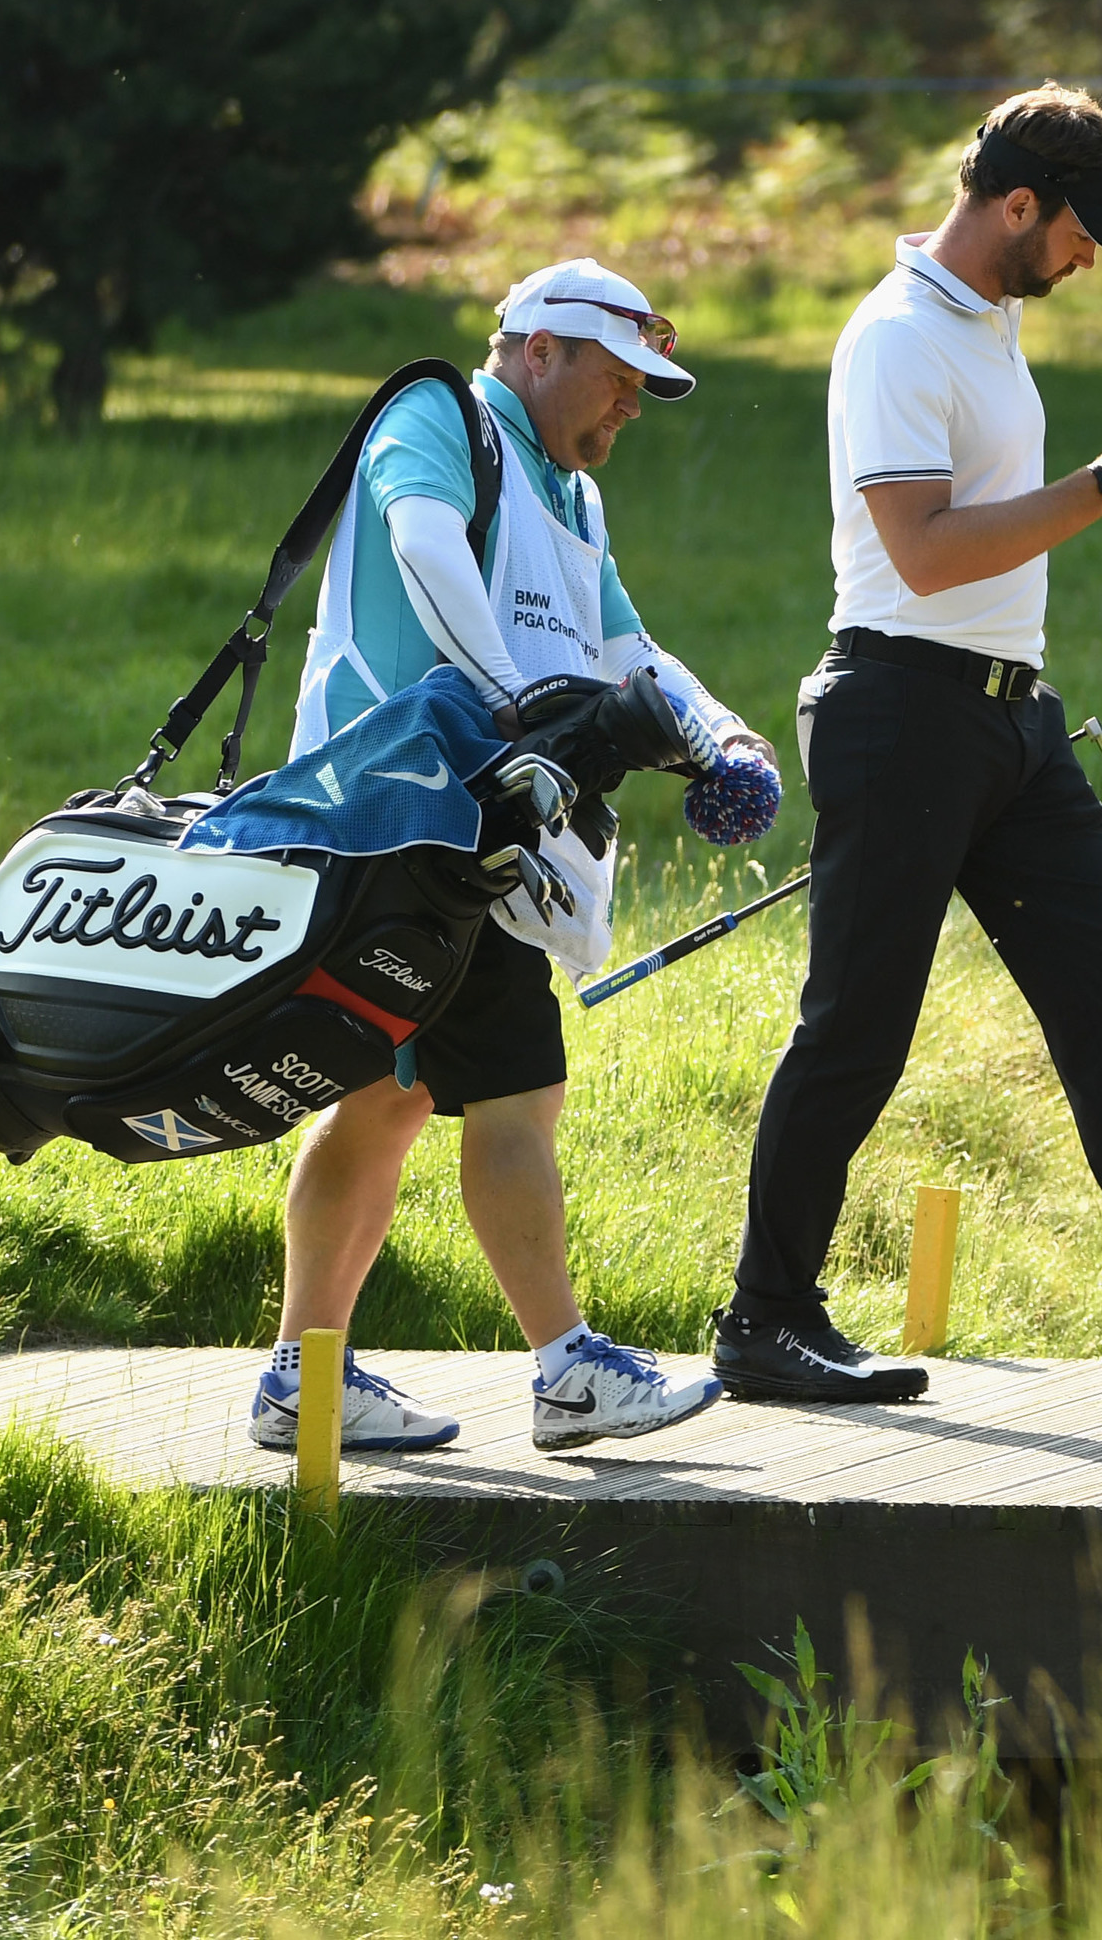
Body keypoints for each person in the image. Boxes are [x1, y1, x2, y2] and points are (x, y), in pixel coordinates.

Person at [709, 87, 1102, 1404]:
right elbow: (924, 553)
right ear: (1016, 206)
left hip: (1011, 718)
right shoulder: (899, 339)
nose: (1084, 260)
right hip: (900, 712)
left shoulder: (988, 318)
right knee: (856, 1032)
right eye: (1077, 233)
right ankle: (765, 1320)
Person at [245, 259, 768, 1455]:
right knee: (519, 1088)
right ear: (540, 351)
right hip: (398, 820)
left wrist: (720, 739)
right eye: (620, 380)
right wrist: (521, 707)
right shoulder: (437, 416)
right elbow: (424, 548)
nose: (632, 407)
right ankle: (567, 1369)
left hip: (470, 830)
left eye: (647, 387)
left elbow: (630, 647)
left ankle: (299, 1378)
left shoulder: (574, 496)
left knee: (388, 1097)